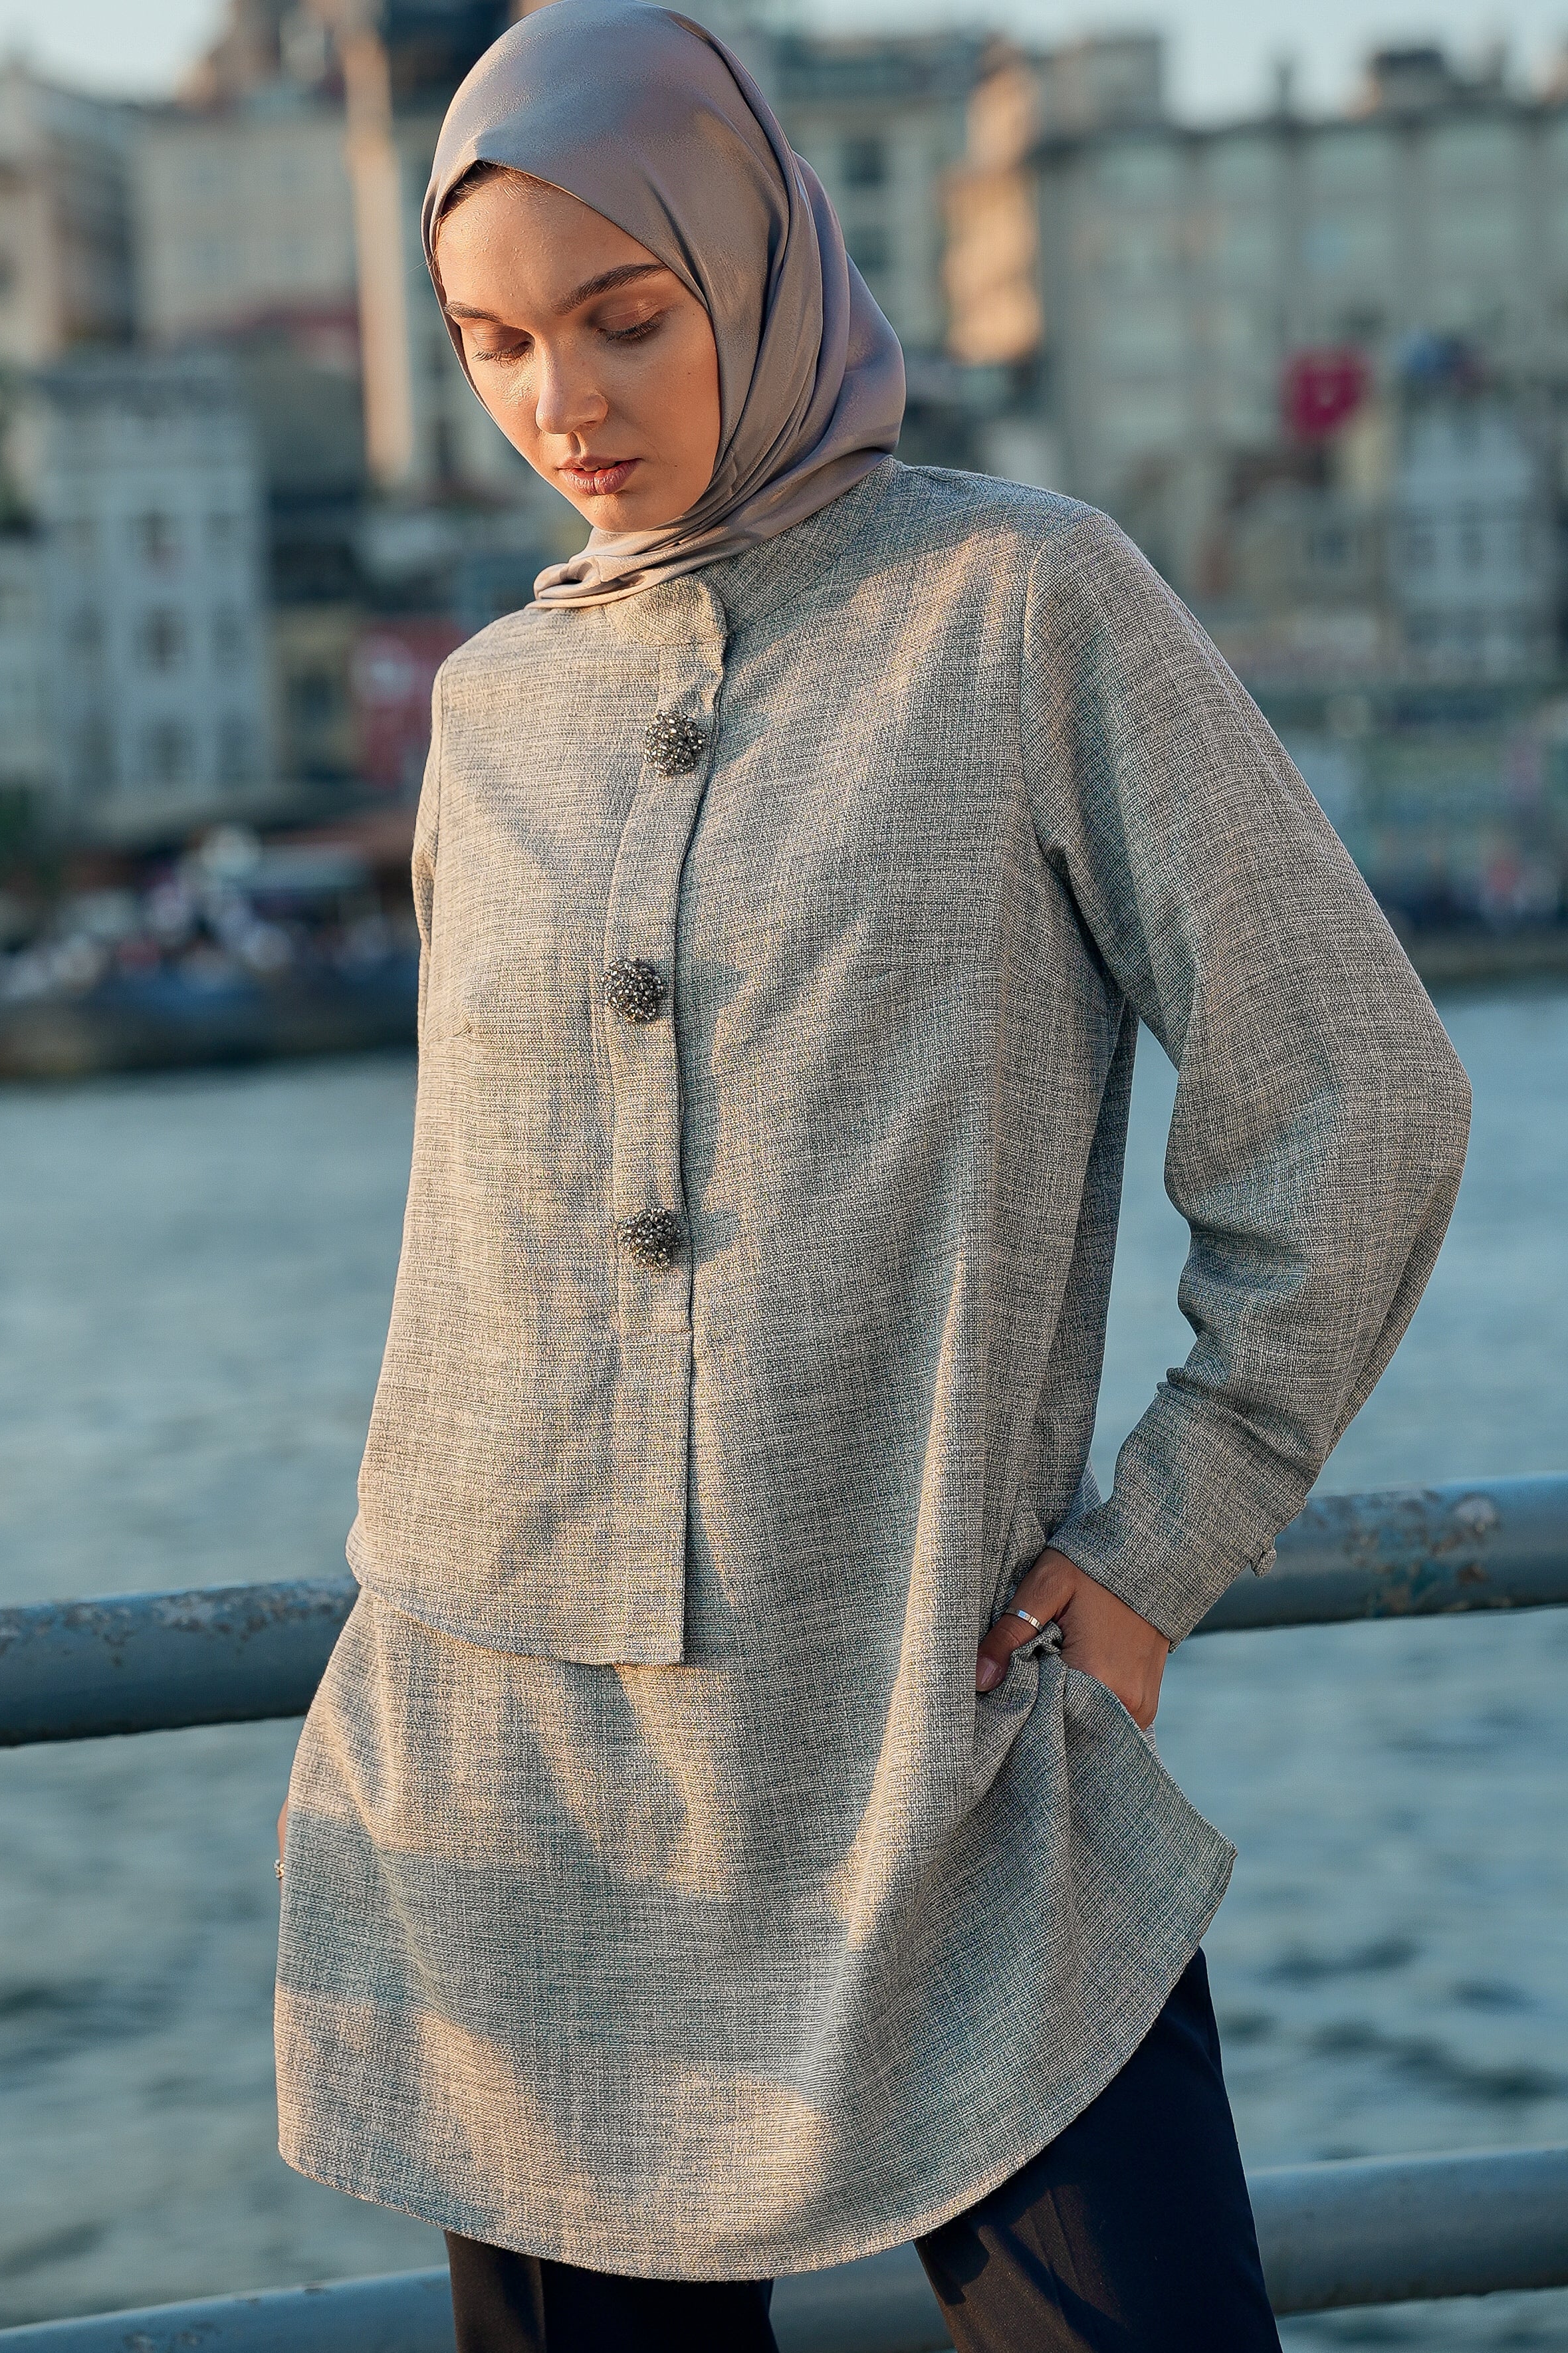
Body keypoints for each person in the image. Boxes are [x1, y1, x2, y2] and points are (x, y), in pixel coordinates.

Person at [274, 5, 1472, 2346]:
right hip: (514, 1782)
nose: (564, 404)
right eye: (494, 342)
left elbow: (1360, 1101)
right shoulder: (493, 709)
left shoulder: (1026, 606)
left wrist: (1163, 1546)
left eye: (626, 317)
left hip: (942, 1762)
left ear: (760, 259)